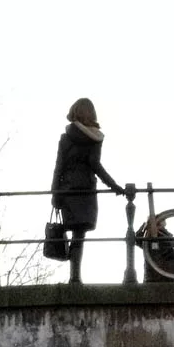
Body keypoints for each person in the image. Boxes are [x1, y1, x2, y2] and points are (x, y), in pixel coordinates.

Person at [51, 98, 124, 284]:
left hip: (68, 191)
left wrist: (55, 193)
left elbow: (59, 167)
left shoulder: (66, 138)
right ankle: (75, 277)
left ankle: (73, 275)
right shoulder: (95, 138)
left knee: (70, 232)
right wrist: (113, 185)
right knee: (79, 235)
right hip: (86, 191)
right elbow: (95, 165)